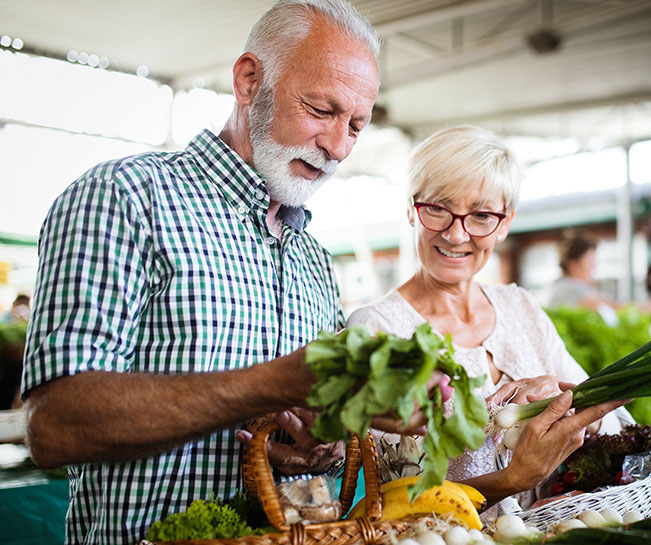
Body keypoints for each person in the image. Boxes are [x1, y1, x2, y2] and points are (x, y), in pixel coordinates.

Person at [20, 2, 418, 543]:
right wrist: (270, 385)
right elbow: (56, 425)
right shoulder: (125, 197)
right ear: (249, 80)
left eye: (356, 124)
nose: (338, 145)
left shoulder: (312, 257)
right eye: (322, 110)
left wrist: (318, 446)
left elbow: (310, 438)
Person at [346, 126, 632, 515]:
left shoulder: (521, 308)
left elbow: (619, 424)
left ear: (504, 224)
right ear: (411, 210)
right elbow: (387, 501)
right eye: (438, 208)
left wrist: (569, 404)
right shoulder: (377, 329)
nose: (456, 233)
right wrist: (513, 480)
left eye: (481, 215)